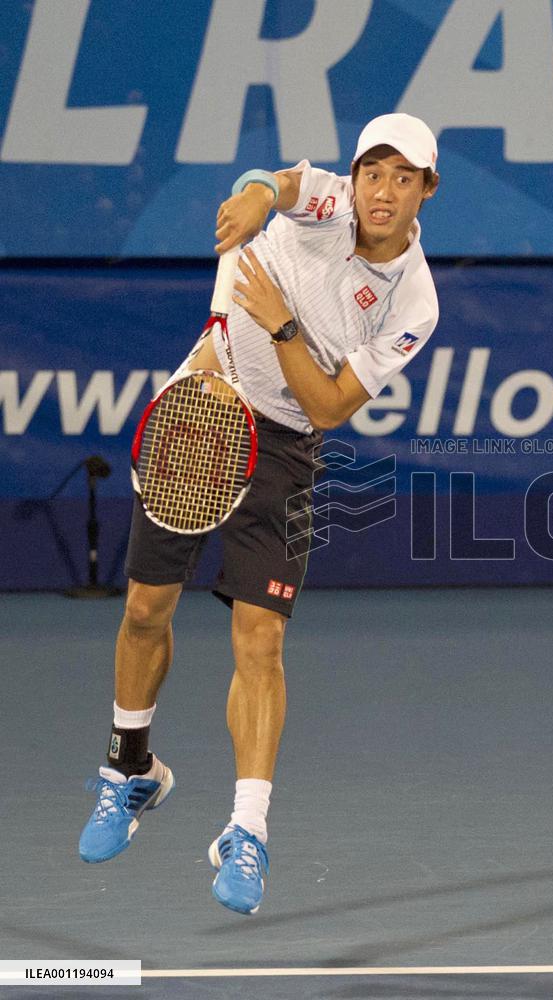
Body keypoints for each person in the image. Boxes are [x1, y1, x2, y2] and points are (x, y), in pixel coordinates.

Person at [78, 114, 440, 915]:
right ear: (356, 178)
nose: (381, 191)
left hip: (287, 445)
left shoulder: (414, 301)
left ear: (426, 191)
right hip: (206, 404)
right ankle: (129, 769)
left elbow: (331, 404)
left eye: (402, 178)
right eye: (372, 173)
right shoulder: (327, 201)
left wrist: (279, 321)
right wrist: (249, 197)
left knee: (262, 638)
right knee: (144, 608)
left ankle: (247, 831)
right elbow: (275, 185)